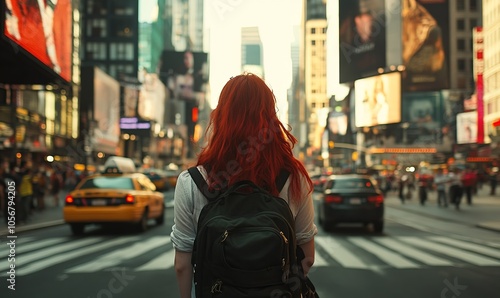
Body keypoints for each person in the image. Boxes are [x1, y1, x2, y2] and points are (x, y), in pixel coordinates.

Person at [170, 73, 317, 298]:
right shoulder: (294, 178)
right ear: (270, 118)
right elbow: (307, 257)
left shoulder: (191, 182)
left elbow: (182, 264)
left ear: (221, 117)